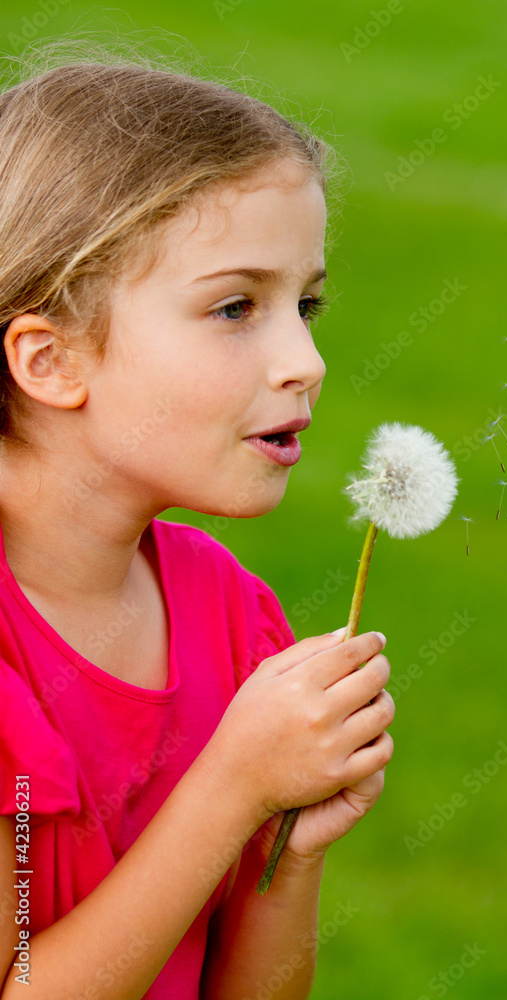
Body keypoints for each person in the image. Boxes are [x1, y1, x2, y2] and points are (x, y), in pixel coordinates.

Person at [0, 48, 395, 999]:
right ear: (51, 359)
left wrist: (289, 847)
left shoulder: (230, 614)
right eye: (235, 306)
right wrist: (233, 788)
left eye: (305, 306)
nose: (305, 360)